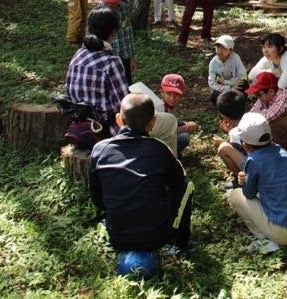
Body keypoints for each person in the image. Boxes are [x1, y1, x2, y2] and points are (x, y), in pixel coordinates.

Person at [90, 93, 194, 255]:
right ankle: (181, 244)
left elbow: (97, 198)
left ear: (118, 119)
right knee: (187, 185)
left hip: (116, 237)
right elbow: (178, 183)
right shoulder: (159, 148)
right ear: (152, 122)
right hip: (158, 237)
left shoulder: (99, 149)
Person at [229, 112, 287, 254]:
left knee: (236, 195)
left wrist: (244, 182)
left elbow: (249, 194)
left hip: (284, 232)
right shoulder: (283, 152)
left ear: (245, 145)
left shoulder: (254, 161)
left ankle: (263, 238)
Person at [66, 6, 129, 130]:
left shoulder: (78, 55)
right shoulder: (111, 61)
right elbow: (124, 104)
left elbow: (68, 93)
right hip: (105, 129)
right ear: (113, 32)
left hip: (78, 125)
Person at [246, 72, 287, 151]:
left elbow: (267, 117)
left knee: (273, 122)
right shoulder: (264, 97)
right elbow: (251, 114)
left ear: (271, 91)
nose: (257, 98)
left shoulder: (283, 98)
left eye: (258, 94)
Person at [248, 33, 287, 104]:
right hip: (285, 100)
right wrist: (271, 71)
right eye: (264, 47)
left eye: (269, 47)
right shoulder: (267, 58)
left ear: (280, 49)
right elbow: (251, 75)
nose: (265, 50)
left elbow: (281, 85)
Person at [96, 0, 135, 85]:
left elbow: (128, 33)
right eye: (107, 2)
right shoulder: (97, 13)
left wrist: (131, 57)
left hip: (123, 57)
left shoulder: (124, 8)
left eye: (113, 2)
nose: (109, 5)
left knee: (126, 85)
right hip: (106, 58)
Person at [158, 74, 200, 159]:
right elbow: (162, 133)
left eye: (176, 94)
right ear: (161, 92)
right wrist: (185, 128)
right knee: (184, 137)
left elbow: (170, 123)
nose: (172, 98)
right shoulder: (158, 109)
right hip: (155, 142)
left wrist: (184, 123)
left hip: (162, 139)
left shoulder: (169, 106)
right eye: (168, 93)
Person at [213, 89, 249, 186]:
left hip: (255, 167)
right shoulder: (250, 118)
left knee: (223, 148)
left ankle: (242, 180)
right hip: (267, 162)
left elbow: (236, 146)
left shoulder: (234, 132)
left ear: (226, 117)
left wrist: (222, 142)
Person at [207, 35, 247, 104]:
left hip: (235, 85)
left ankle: (237, 104)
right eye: (218, 47)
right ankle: (225, 104)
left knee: (244, 84)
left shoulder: (235, 58)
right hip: (223, 89)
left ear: (230, 50)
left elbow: (242, 75)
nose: (220, 51)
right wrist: (229, 87)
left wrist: (226, 82)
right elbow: (212, 83)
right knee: (214, 94)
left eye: (224, 48)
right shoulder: (213, 63)